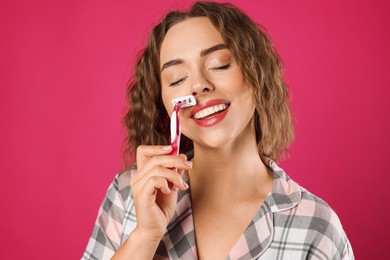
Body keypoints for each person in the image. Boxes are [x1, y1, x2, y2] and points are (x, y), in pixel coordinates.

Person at [82, 1, 354, 259]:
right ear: (163, 102)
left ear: (256, 74)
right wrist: (145, 236)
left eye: (219, 65)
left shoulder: (315, 226)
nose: (198, 85)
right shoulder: (128, 193)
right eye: (177, 79)